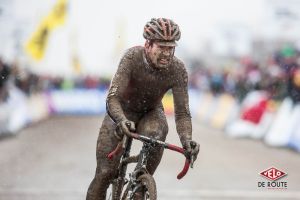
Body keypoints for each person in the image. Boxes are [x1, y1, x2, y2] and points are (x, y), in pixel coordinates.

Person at [86, 18, 200, 200]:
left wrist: (187, 140)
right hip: (122, 111)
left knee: (157, 132)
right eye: (161, 48)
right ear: (147, 45)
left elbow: (182, 113)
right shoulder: (132, 57)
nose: (167, 54)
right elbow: (113, 97)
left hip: (151, 112)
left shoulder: (178, 69)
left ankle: (140, 185)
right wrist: (121, 120)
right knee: (105, 173)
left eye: (171, 48)